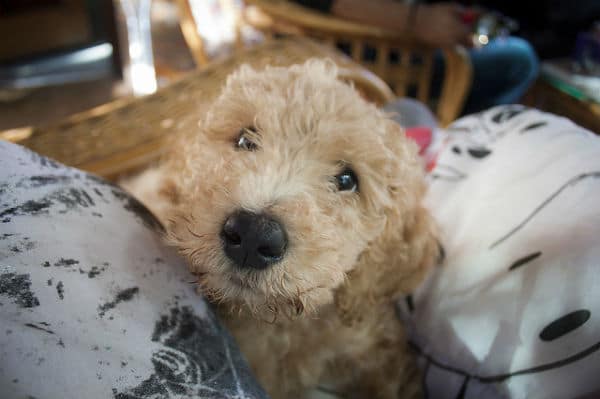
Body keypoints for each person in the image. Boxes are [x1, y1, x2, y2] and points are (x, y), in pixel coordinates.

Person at [291, 0, 539, 114]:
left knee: (516, 53)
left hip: (420, 47)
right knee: (518, 60)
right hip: (362, 53)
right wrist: (415, 19)